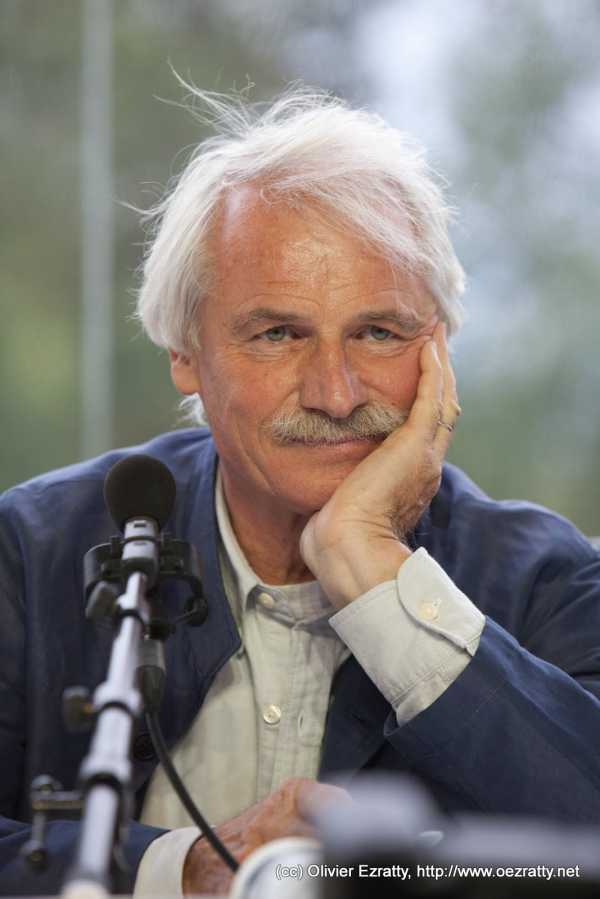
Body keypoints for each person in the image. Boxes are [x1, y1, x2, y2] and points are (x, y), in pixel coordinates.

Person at [1, 86, 600, 897]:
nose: (335, 393)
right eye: (278, 334)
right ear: (185, 352)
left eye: (378, 332)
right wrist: (181, 870)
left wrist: (370, 563)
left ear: (439, 350)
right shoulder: (30, 551)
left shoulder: (550, 582)